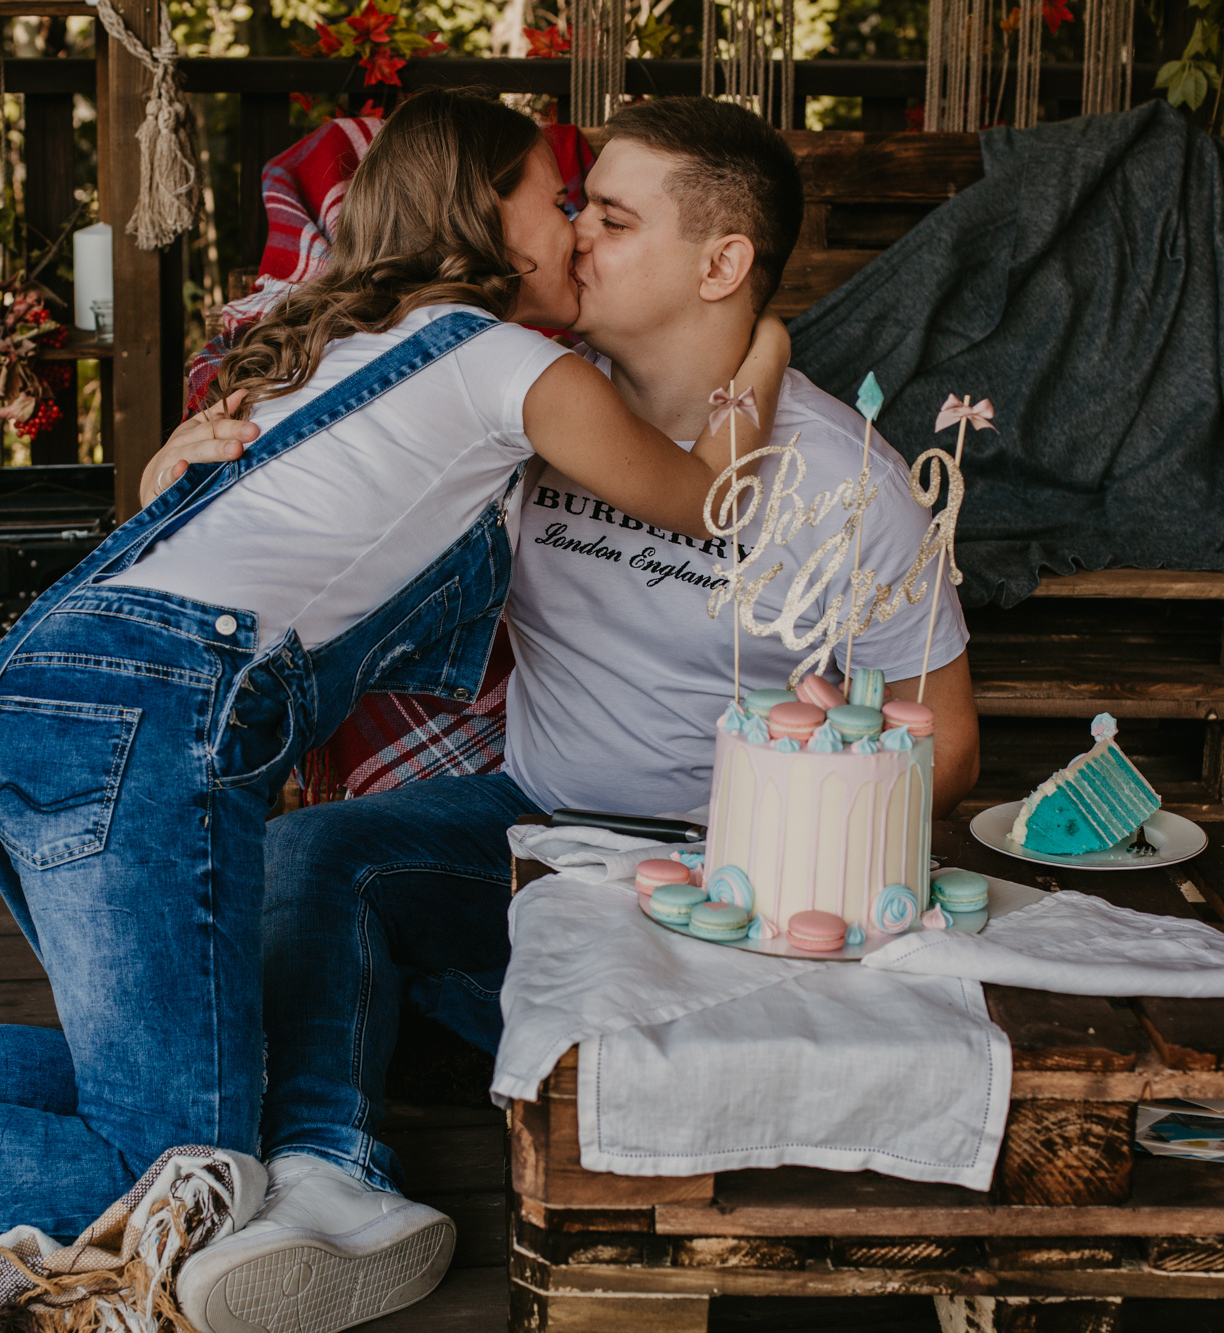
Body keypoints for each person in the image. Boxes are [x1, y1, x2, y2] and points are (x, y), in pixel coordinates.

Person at [0, 89, 792, 1323]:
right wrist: (773, 346)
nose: (576, 224)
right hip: (153, 723)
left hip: (64, 688)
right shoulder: (508, 361)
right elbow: (704, 501)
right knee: (172, 1171)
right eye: (558, 198)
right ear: (485, 213)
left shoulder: (354, 347)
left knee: (191, 1094)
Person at [132, 96, 981, 1330]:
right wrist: (193, 459)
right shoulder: (530, 405)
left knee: (595, 1041)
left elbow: (945, 738)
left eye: (612, 218)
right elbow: (331, 446)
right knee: (315, 859)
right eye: (576, 207)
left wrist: (794, 863)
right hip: (530, 828)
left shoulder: (849, 486)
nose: (572, 235)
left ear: (721, 261)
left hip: (725, 878)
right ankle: (330, 1177)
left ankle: (530, 1050)